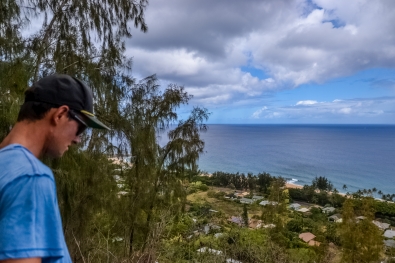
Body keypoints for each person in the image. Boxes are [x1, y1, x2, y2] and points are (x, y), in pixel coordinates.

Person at [0, 74, 109, 263]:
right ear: (60, 114)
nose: (77, 139)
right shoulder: (30, 177)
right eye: (80, 128)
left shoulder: (6, 168)